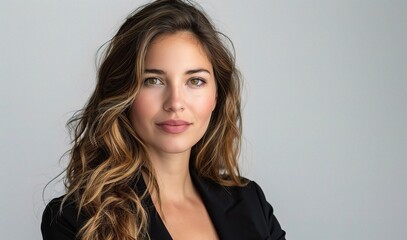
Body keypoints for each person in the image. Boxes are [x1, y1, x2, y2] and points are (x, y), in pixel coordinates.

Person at [41, 0, 286, 239]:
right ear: (124, 93)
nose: (175, 103)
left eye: (195, 81)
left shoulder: (251, 202)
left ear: (216, 96)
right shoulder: (75, 219)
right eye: (153, 81)